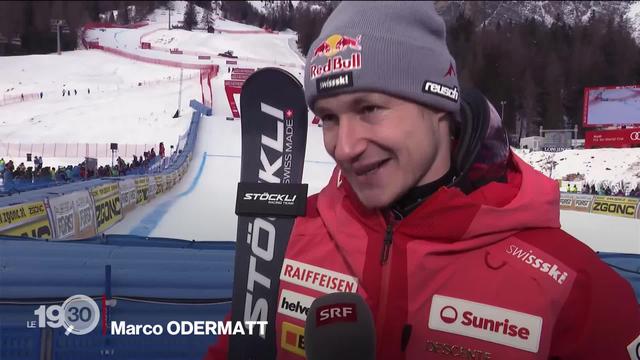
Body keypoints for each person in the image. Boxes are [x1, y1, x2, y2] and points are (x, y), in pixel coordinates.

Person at [204, 3, 639, 358]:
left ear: (438, 107)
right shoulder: (285, 239)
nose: (346, 146)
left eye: (369, 108)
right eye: (330, 118)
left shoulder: (572, 286)